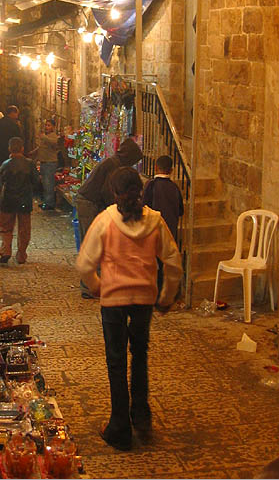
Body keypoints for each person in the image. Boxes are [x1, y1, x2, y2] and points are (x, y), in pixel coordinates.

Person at [76, 167, 182, 452]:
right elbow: (173, 261)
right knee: (140, 354)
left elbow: (85, 263)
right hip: (144, 298)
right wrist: (167, 295)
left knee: (116, 361)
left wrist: (97, 286)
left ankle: (119, 427)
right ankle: (142, 416)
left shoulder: (105, 220)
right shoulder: (156, 221)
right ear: (140, 190)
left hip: (113, 300)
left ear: (113, 192)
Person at [75, 137, 143, 297]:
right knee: (93, 245)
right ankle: (88, 287)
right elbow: (108, 192)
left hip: (90, 202)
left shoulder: (113, 162)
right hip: (88, 203)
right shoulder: (114, 166)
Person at [142, 155, 184, 295]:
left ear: (155, 167)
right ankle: (171, 293)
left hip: (154, 231)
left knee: (155, 264)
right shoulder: (175, 188)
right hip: (171, 231)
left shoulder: (151, 185)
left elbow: (144, 207)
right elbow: (180, 210)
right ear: (171, 170)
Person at [0, 136, 41, 266]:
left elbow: (0, 183)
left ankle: (6, 250)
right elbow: (36, 182)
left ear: (9, 149)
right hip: (24, 199)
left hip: (8, 200)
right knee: (24, 228)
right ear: (22, 149)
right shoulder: (30, 164)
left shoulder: (5, 165)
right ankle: (21, 254)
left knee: (6, 227)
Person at [29, 118, 62, 210]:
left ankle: (50, 203)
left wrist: (43, 137)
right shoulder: (46, 136)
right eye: (46, 125)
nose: (47, 127)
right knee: (45, 183)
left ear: (53, 127)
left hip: (50, 163)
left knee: (49, 184)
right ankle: (46, 201)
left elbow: (54, 142)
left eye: (49, 125)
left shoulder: (53, 136)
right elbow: (41, 147)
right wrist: (33, 152)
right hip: (44, 162)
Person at [0, 105, 23, 180]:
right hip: (11, 152)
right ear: (12, 113)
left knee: (1, 170)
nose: (17, 116)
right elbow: (18, 138)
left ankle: (0, 187)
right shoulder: (14, 125)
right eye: (17, 113)